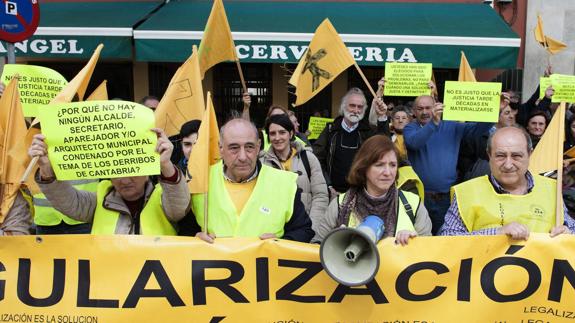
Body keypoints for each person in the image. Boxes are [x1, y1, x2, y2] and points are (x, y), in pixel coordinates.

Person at [28, 128, 190, 235]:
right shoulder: (101, 197)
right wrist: (46, 168)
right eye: (117, 172)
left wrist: (165, 165)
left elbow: (179, 207)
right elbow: (69, 202)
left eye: (132, 171)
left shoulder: (162, 197)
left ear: (147, 171)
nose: (125, 180)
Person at [191, 118, 314, 243]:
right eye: (234, 148)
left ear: (258, 146)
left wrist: (281, 243)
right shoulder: (201, 180)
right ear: (221, 148)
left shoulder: (284, 183)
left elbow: (304, 231)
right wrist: (195, 240)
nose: (243, 157)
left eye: (249, 147)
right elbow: (182, 229)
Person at [440, 126, 575, 239]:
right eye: (500, 156)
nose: (508, 164)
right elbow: (448, 240)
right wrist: (496, 233)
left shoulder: (551, 188)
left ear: (530, 154)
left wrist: (567, 234)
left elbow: (571, 228)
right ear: (489, 155)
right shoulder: (467, 192)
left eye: (516, 156)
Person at [313, 135, 432, 245]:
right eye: (379, 165)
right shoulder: (339, 205)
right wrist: (335, 243)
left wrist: (415, 243)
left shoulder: (413, 204)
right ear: (363, 167)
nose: (387, 172)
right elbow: (316, 247)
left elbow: (429, 253)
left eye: (392, 165)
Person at [403, 94, 492, 234]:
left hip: (445, 197)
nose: (425, 112)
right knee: (419, 237)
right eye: (420, 109)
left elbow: (478, 130)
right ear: (413, 112)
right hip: (419, 197)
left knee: (444, 237)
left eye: (428, 108)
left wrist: (495, 110)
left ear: (436, 107)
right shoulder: (410, 128)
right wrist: (433, 123)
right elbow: (414, 143)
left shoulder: (452, 126)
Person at [313, 87, 389, 196]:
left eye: (360, 107)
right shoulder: (331, 130)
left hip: (361, 195)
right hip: (333, 194)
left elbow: (384, 147)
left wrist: (381, 116)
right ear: (343, 107)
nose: (356, 110)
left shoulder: (367, 132)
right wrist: (328, 186)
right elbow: (317, 160)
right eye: (352, 105)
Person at [260, 114, 328, 234]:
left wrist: (310, 229)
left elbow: (320, 195)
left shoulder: (309, 158)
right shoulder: (261, 163)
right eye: (272, 133)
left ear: (291, 134)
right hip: (272, 233)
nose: (277, 137)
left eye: (282, 132)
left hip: (305, 229)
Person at [458, 95, 518, 181]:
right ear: (496, 116)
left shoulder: (517, 134)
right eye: (507, 113)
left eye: (512, 112)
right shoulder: (478, 135)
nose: (512, 116)